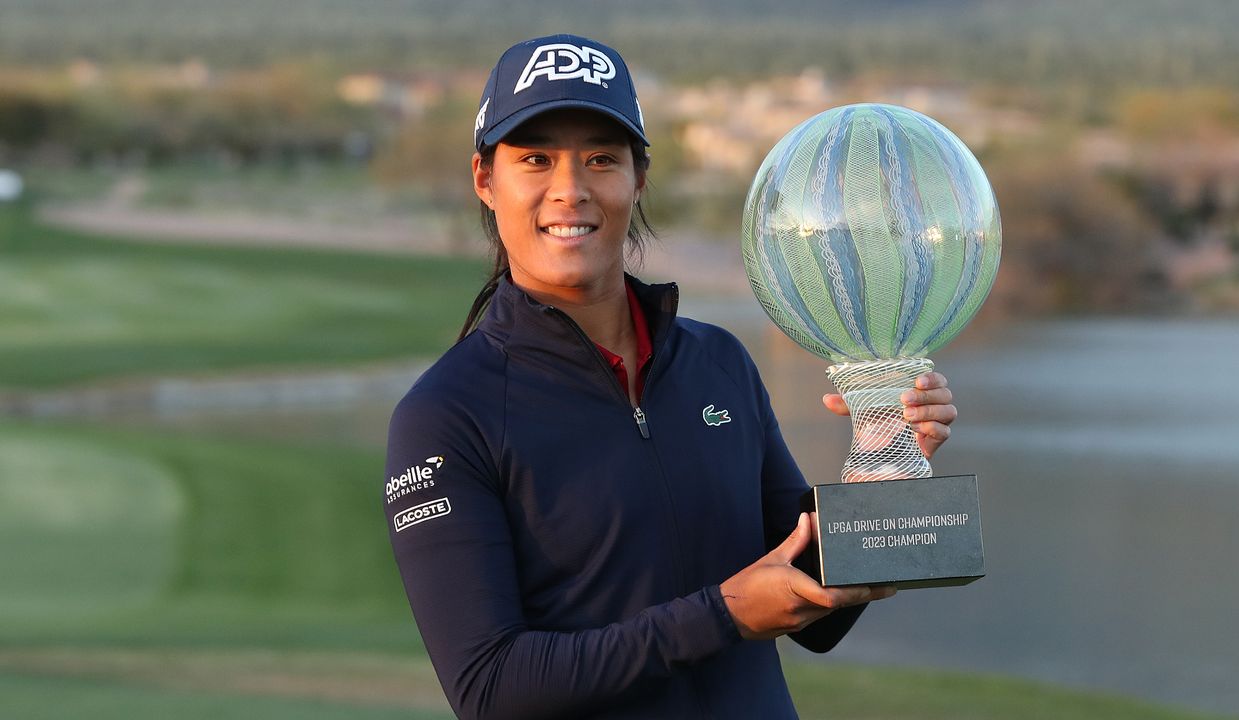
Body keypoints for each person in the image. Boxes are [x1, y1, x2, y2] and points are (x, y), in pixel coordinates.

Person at [383, 34, 958, 720]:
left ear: (638, 179)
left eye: (601, 159)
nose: (570, 190)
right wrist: (721, 616)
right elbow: (491, 689)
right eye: (535, 159)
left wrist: (878, 480)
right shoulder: (447, 415)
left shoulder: (718, 364)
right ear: (485, 179)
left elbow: (815, 610)